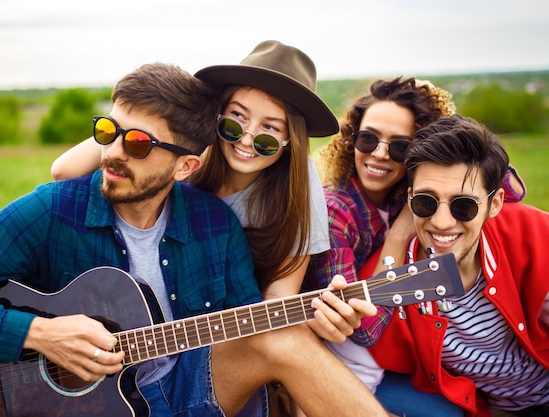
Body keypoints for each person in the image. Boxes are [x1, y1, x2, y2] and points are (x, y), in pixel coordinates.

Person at [0, 63, 388, 417]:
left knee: (279, 338)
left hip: (184, 390)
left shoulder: (214, 225)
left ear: (185, 166)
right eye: (108, 131)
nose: (114, 152)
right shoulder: (52, 211)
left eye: (139, 144)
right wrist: (40, 333)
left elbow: (253, 332)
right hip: (77, 405)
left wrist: (319, 313)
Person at [50, 40, 358, 417]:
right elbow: (63, 172)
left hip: (221, 332)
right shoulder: (184, 155)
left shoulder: (298, 187)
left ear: (289, 141)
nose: (246, 139)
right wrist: (130, 129)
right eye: (235, 120)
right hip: (141, 315)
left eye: (267, 131)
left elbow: (278, 296)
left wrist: (309, 318)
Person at [303, 77, 527, 416]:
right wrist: (399, 234)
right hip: (348, 359)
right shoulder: (337, 210)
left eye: (398, 146)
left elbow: (501, 187)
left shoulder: (408, 196)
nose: (379, 153)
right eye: (368, 138)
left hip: (399, 354)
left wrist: (446, 126)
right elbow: (362, 329)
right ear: (351, 139)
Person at [365, 114, 549, 417]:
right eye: (426, 201)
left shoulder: (532, 233)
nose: (441, 222)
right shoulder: (386, 279)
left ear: (496, 204)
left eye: (464, 205)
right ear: (410, 199)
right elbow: (355, 369)